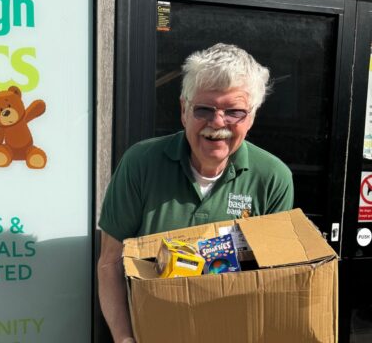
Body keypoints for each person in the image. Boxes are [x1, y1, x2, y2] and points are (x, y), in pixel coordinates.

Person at [97, 43, 294, 343]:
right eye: (204, 109)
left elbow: (274, 279)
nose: (217, 123)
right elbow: (110, 262)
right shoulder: (141, 163)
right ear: (184, 110)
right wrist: (124, 338)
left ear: (252, 116)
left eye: (234, 112)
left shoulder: (273, 178)